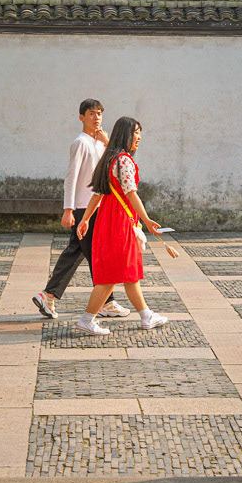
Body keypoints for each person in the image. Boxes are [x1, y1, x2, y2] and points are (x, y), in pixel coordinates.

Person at [74, 116, 178, 336]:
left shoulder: (109, 159)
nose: (139, 137)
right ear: (125, 134)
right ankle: (87, 319)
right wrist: (147, 220)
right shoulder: (124, 161)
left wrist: (85, 219)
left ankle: (146, 315)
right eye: (136, 132)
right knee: (116, 274)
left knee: (126, 272)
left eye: (140, 132)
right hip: (120, 222)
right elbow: (131, 194)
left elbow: (98, 194)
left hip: (107, 220)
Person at [32, 99, 128, 320]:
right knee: (97, 255)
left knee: (78, 252)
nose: (96, 118)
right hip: (84, 209)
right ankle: (105, 302)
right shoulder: (80, 142)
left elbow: (113, 166)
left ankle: (49, 296)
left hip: (95, 207)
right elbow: (71, 178)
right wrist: (68, 209)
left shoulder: (99, 142)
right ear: (81, 117)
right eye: (91, 113)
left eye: (99, 113)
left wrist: (107, 143)